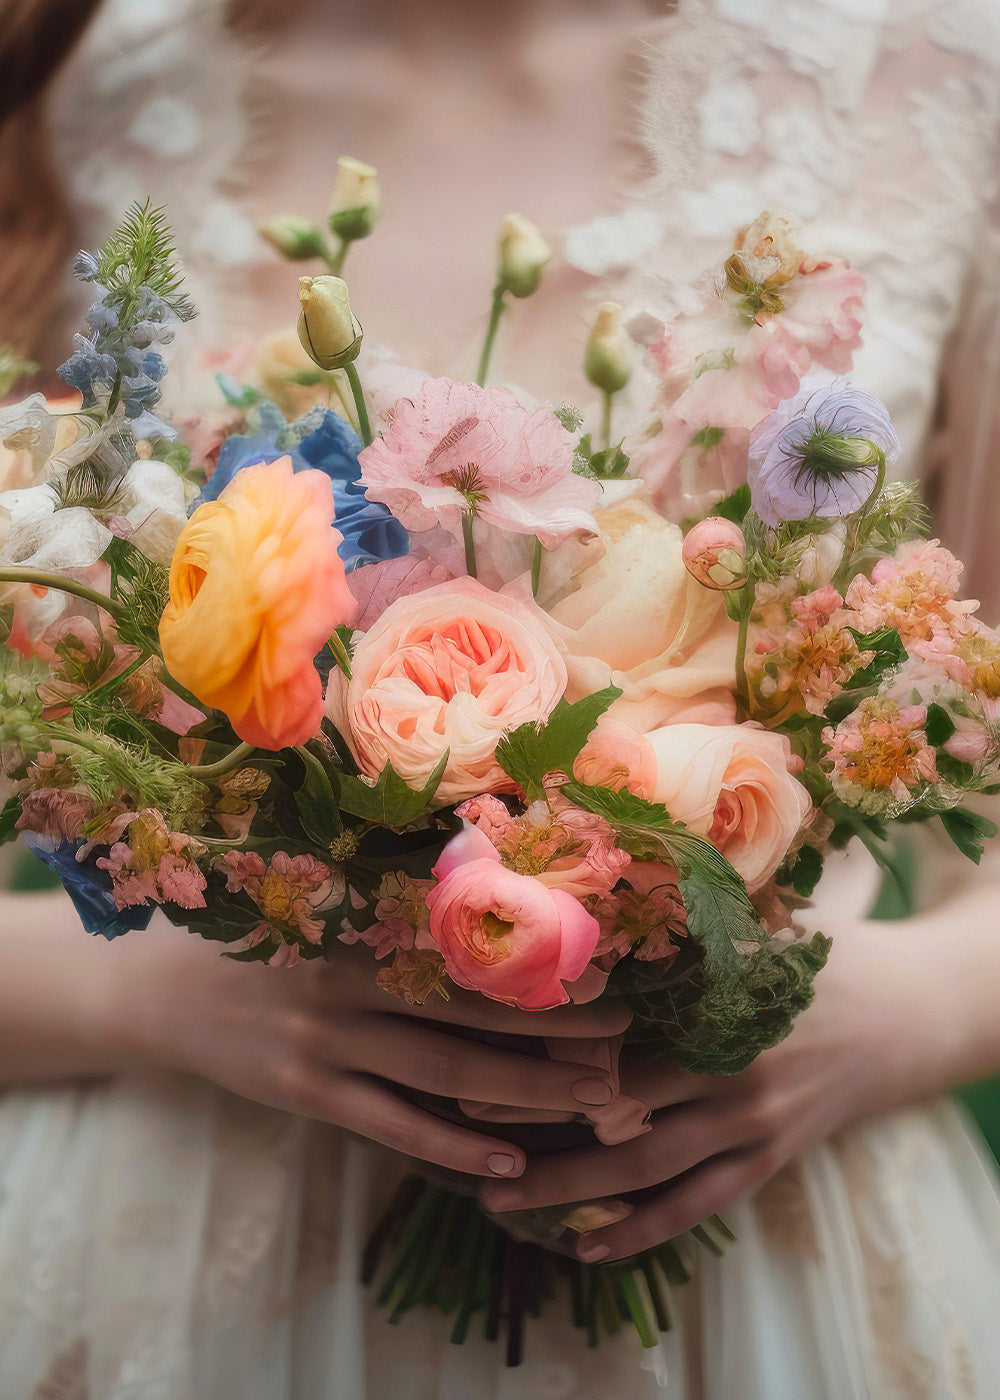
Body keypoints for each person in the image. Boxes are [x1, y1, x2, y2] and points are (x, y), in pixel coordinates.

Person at [2, 1, 1000, 1396]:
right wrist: (147, 997)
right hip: (183, 1246)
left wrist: (885, 1014)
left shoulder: (942, 72)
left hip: (759, 1242)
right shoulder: (72, 90)